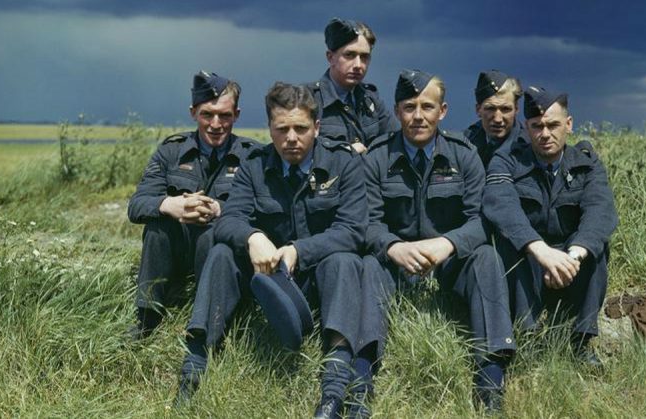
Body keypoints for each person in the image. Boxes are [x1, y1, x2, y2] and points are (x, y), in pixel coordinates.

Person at [175, 83, 368, 419]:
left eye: (301, 128)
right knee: (222, 251)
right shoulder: (254, 165)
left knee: (345, 261)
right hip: (265, 282)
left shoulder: (344, 164)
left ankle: (333, 392)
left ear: (317, 127)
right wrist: (252, 237)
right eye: (282, 129)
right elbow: (229, 219)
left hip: (318, 281)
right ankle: (194, 367)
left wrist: (298, 251)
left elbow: (353, 231)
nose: (291, 138)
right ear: (270, 129)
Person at [361, 70, 515, 414]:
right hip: (396, 265)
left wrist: (448, 244)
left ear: (442, 111)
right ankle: (363, 375)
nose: (418, 116)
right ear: (398, 111)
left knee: (487, 257)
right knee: (368, 265)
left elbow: (480, 221)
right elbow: (366, 224)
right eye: (409, 107)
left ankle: (490, 378)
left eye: (427, 107)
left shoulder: (464, 155)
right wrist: (392, 247)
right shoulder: (376, 158)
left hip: (448, 264)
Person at [482, 86, 618, 368]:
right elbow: (501, 205)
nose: (545, 134)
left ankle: (580, 341)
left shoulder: (586, 163)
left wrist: (572, 258)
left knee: (597, 246)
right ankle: (527, 337)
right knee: (510, 241)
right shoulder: (507, 161)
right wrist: (541, 252)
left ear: (568, 124)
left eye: (553, 125)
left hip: (570, 265)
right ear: (526, 127)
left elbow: (600, 211)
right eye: (537, 126)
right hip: (529, 264)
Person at [126, 71, 258, 339]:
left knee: (215, 232)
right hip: (176, 252)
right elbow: (137, 205)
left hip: (220, 255)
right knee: (157, 226)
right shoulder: (171, 151)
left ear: (237, 115)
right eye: (207, 114)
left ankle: (211, 318)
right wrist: (169, 205)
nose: (216, 124)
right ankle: (147, 317)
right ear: (193, 112)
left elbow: (263, 212)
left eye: (225, 115)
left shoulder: (252, 156)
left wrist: (220, 210)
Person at [307, 18, 398, 154]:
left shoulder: (371, 99)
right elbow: (298, 153)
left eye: (364, 57)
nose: (358, 65)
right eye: (349, 55)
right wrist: (345, 152)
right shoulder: (308, 100)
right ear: (330, 57)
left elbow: (397, 141)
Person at [464, 70, 528, 168]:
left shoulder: (530, 148)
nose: (498, 119)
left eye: (505, 109)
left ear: (516, 109)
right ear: (478, 110)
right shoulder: (464, 144)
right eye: (490, 108)